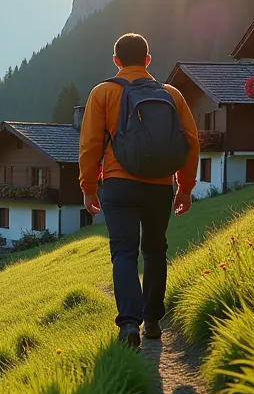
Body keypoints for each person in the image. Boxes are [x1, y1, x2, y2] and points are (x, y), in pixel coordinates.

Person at [78, 33, 199, 348]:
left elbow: (90, 144)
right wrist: (184, 188)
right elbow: (190, 141)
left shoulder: (103, 92)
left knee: (124, 252)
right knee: (156, 250)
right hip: (160, 185)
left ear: (116, 61)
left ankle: (129, 324)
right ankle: (154, 321)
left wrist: (88, 186)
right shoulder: (171, 94)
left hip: (118, 184)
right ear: (148, 60)